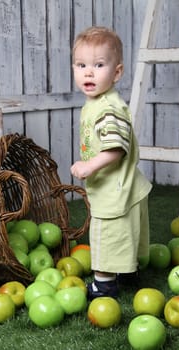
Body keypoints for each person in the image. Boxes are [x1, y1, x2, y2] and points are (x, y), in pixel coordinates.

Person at [71, 26, 152, 300]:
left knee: (107, 233)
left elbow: (115, 149)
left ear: (117, 72)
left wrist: (88, 166)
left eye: (99, 65)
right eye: (81, 65)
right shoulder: (97, 102)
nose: (88, 72)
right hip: (125, 186)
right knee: (127, 232)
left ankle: (104, 284)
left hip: (114, 189)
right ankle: (129, 270)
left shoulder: (107, 108)